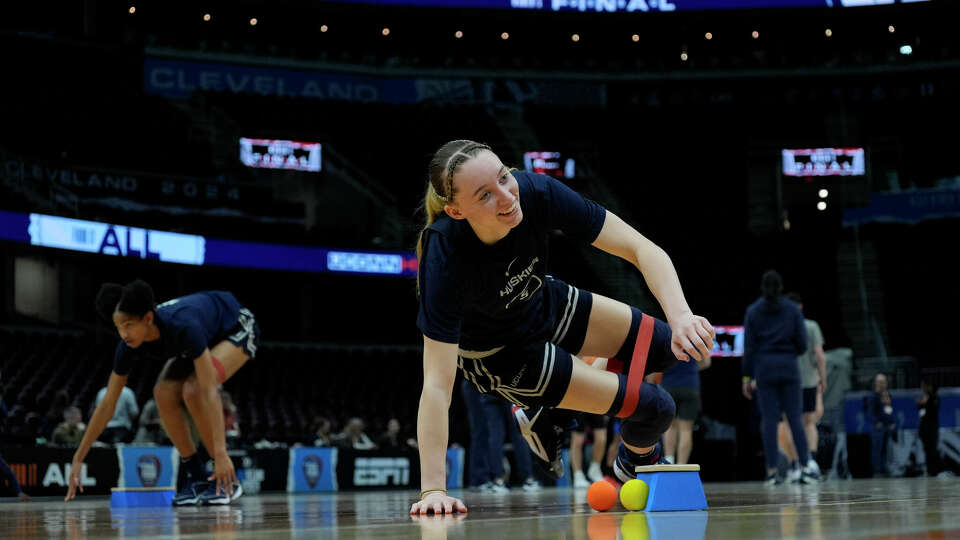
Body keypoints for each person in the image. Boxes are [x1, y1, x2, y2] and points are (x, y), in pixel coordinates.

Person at [410, 140, 714, 515]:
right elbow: (437, 386)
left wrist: (682, 316)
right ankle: (625, 463)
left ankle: (551, 416)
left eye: (505, 178)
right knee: (657, 409)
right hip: (503, 356)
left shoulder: (536, 192)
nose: (507, 197)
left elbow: (640, 248)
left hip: (543, 302)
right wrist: (432, 491)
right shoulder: (444, 255)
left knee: (668, 346)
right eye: (485, 195)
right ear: (456, 210)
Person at [65, 279, 259, 506]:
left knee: (194, 389)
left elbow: (209, 392)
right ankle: (196, 477)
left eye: (128, 325)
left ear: (148, 319)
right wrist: (79, 457)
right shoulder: (127, 346)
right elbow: (108, 404)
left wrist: (221, 454)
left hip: (235, 325)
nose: (123, 334)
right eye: (118, 327)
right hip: (201, 338)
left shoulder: (183, 325)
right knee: (163, 393)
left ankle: (227, 480)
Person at [741, 270, 817, 485]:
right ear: (781, 287)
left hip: (764, 368)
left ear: (762, 288)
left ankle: (773, 471)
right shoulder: (793, 310)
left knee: (770, 421)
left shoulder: (753, 311)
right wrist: (788, 352)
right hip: (789, 367)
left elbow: (749, 348)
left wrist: (747, 377)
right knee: (795, 418)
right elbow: (802, 343)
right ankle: (804, 466)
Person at [776, 293, 825, 479]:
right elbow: (819, 355)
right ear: (801, 307)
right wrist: (822, 378)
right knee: (809, 423)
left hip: (787, 382)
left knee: (788, 424)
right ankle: (811, 462)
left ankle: (796, 465)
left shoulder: (779, 327)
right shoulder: (811, 326)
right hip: (808, 381)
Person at [662, 346, 711, 465]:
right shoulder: (695, 332)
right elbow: (706, 362)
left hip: (668, 385)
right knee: (686, 430)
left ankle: (669, 462)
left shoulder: (668, 332)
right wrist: (691, 369)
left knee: (669, 427)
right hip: (690, 384)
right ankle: (681, 466)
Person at [868, 373, 896, 477]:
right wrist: (876, 423)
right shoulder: (872, 396)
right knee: (877, 448)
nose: (883, 384)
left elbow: (889, 410)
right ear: (876, 383)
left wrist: (892, 422)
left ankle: (884, 468)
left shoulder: (887, 395)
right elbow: (870, 413)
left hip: (887, 426)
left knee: (885, 448)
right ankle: (877, 470)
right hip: (877, 427)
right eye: (880, 382)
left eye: (884, 382)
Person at [917, 378, 941, 477]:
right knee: (927, 449)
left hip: (931, 428)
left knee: (932, 449)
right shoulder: (925, 397)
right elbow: (921, 410)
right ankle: (930, 469)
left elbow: (931, 411)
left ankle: (934, 470)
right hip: (925, 427)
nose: (922, 388)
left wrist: (924, 403)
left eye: (924, 386)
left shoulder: (934, 397)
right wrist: (920, 404)